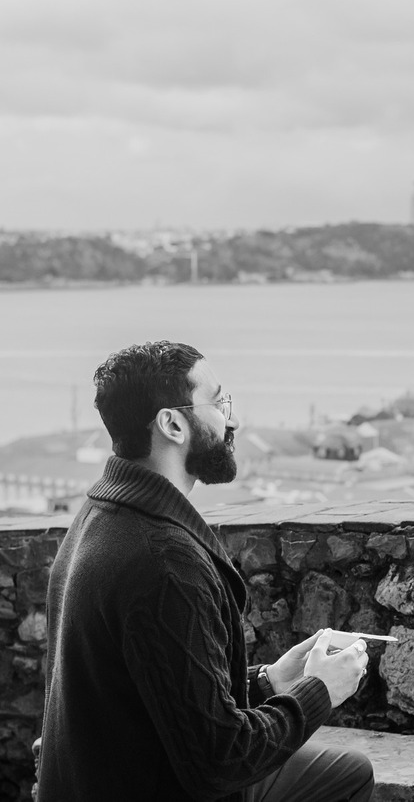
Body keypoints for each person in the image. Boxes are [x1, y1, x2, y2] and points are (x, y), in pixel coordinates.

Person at [38, 341, 375, 802]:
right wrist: (319, 691)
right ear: (173, 424)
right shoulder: (164, 562)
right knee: (348, 776)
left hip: (98, 777)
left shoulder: (100, 516)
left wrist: (269, 682)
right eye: (218, 403)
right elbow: (220, 759)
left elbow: (163, 687)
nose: (232, 419)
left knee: (345, 769)